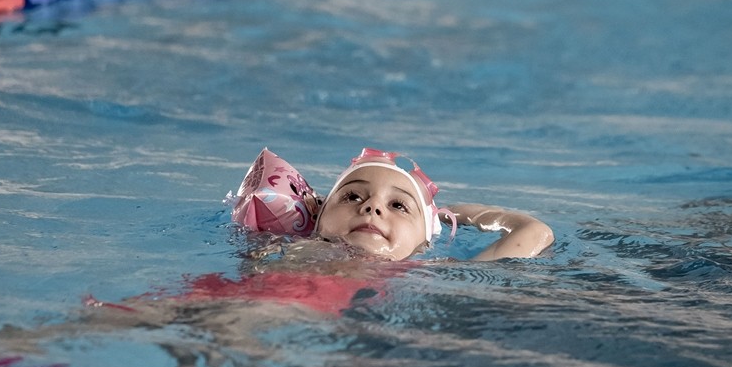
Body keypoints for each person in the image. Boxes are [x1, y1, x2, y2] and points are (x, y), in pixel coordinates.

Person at [235, 147, 554, 262]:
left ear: (426, 239)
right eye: (353, 196)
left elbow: (535, 231)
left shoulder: (435, 272)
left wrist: (446, 216)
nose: (372, 207)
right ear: (317, 213)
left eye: (399, 206)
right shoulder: (278, 249)